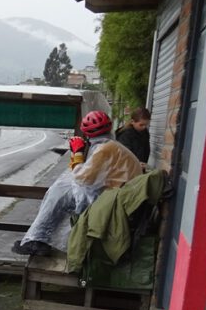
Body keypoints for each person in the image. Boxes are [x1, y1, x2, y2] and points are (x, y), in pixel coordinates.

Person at [11, 110, 142, 257]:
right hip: (121, 199)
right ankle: (38, 239)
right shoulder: (110, 146)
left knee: (60, 194)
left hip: (116, 203)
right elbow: (88, 176)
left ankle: (38, 240)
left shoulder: (105, 149)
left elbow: (83, 178)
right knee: (61, 190)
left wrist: (77, 152)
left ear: (87, 133)